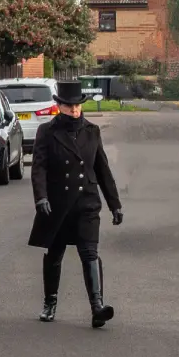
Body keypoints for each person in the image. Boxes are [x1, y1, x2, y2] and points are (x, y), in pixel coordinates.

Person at [28, 80, 123, 328]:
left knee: (89, 253)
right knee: (54, 255)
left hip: (86, 203)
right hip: (58, 204)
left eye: (77, 106)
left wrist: (115, 204)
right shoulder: (47, 132)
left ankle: (97, 307)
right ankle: (50, 302)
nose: (74, 111)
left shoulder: (92, 131)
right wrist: (41, 197)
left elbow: (102, 169)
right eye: (69, 106)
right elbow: (39, 168)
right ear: (59, 106)